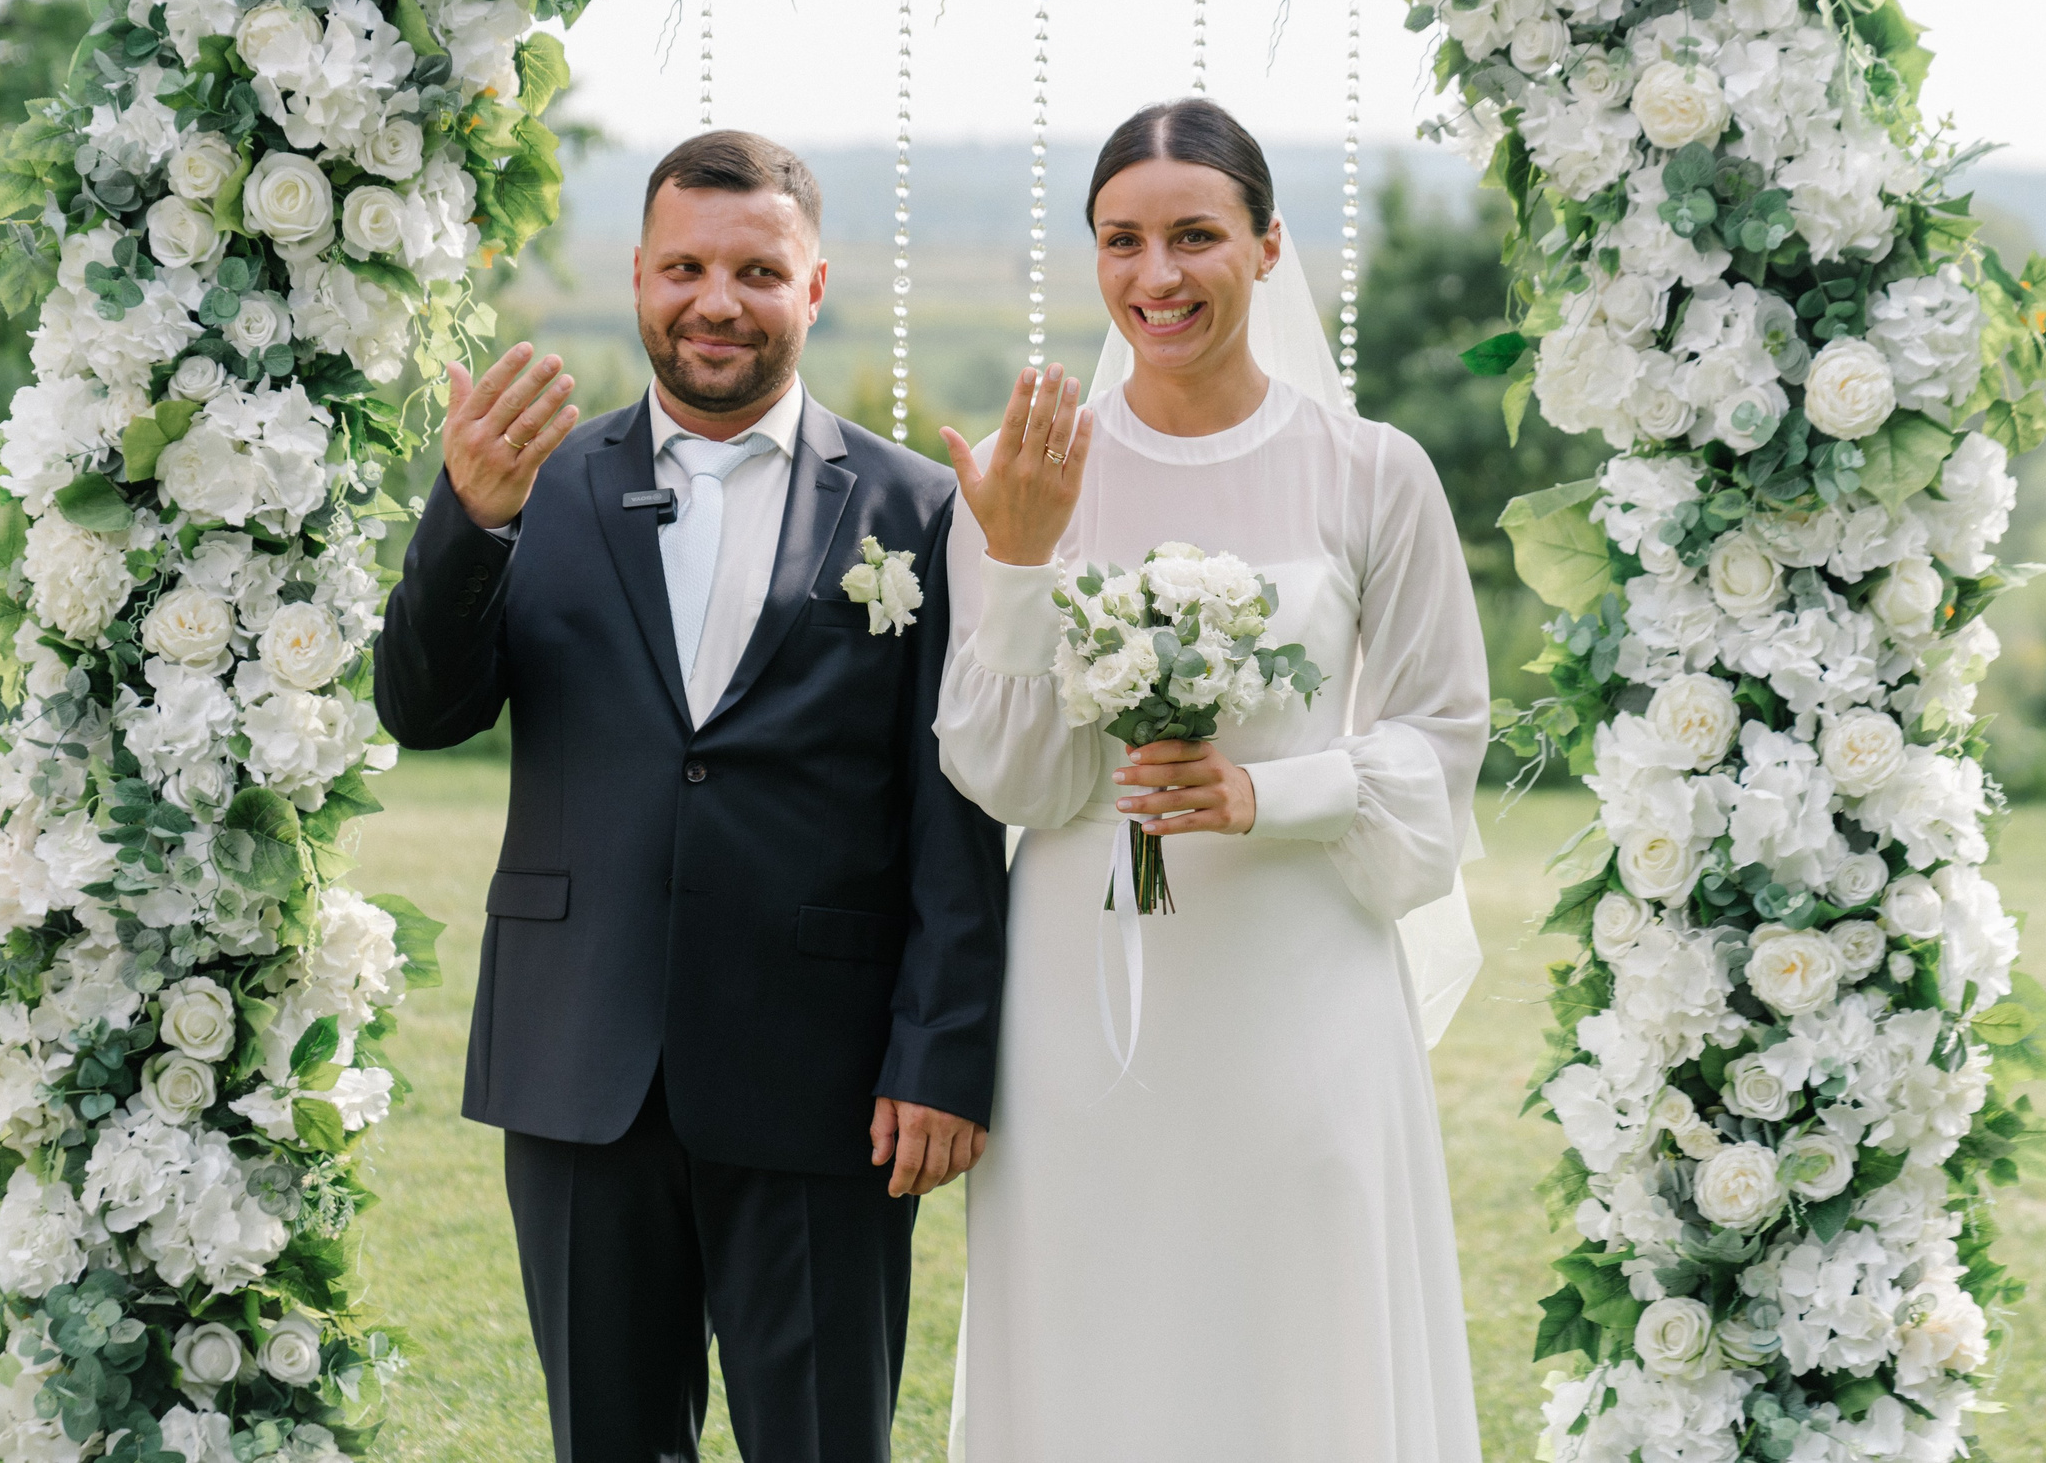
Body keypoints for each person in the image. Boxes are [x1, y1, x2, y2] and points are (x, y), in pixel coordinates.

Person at [375, 130, 1009, 1463]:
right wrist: (467, 522)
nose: (717, 300)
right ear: (640, 277)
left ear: (814, 287)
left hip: (827, 1084)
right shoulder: (533, 485)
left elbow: (955, 817)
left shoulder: (924, 511)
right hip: (578, 1058)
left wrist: (939, 1054)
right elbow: (423, 710)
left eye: (755, 271)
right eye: (685, 267)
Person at [932, 99, 1489, 1461]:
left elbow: (1440, 744)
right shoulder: (1028, 477)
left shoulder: (1372, 473)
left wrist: (1267, 795)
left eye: (1195, 236)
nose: (1155, 276)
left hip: (1300, 987)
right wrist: (1016, 565)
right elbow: (1006, 774)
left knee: (1299, 1328)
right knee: (1100, 1329)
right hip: (1084, 993)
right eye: (1121, 241)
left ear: (1268, 247)